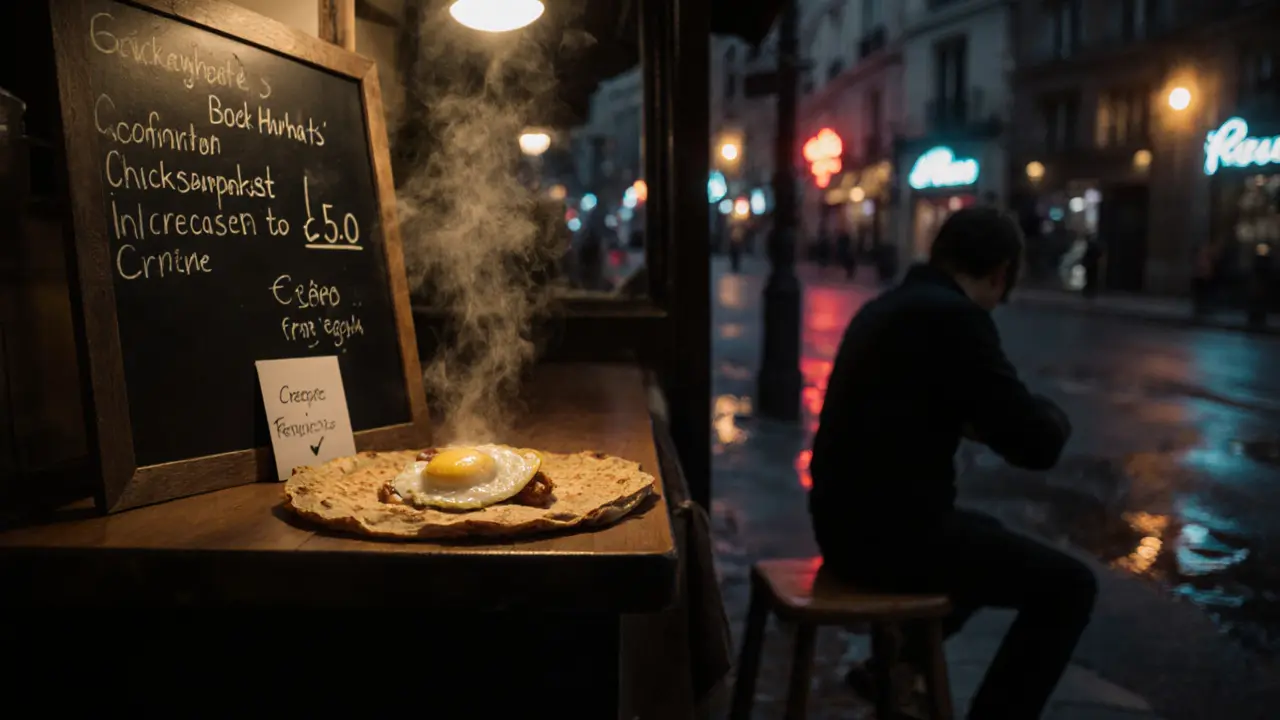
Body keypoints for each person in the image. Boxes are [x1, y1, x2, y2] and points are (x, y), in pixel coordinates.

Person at [809, 207, 1095, 720]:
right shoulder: (955, 318)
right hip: (887, 542)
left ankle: (894, 668)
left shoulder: (890, 305)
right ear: (1001, 273)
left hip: (840, 529)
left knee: (985, 535)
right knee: (1070, 588)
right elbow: (1034, 443)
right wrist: (1054, 416)